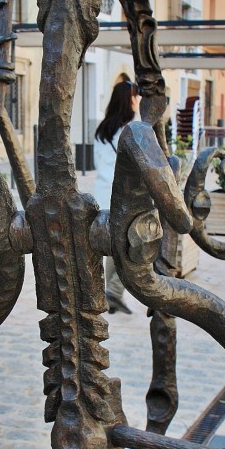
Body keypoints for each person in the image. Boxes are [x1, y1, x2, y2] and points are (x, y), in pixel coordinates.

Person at [93, 79, 141, 314]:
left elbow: (96, 162)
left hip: (102, 194)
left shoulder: (102, 129)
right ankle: (114, 289)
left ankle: (110, 293)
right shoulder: (132, 128)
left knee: (114, 246)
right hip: (124, 197)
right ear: (129, 99)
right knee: (133, 246)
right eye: (135, 96)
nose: (138, 99)